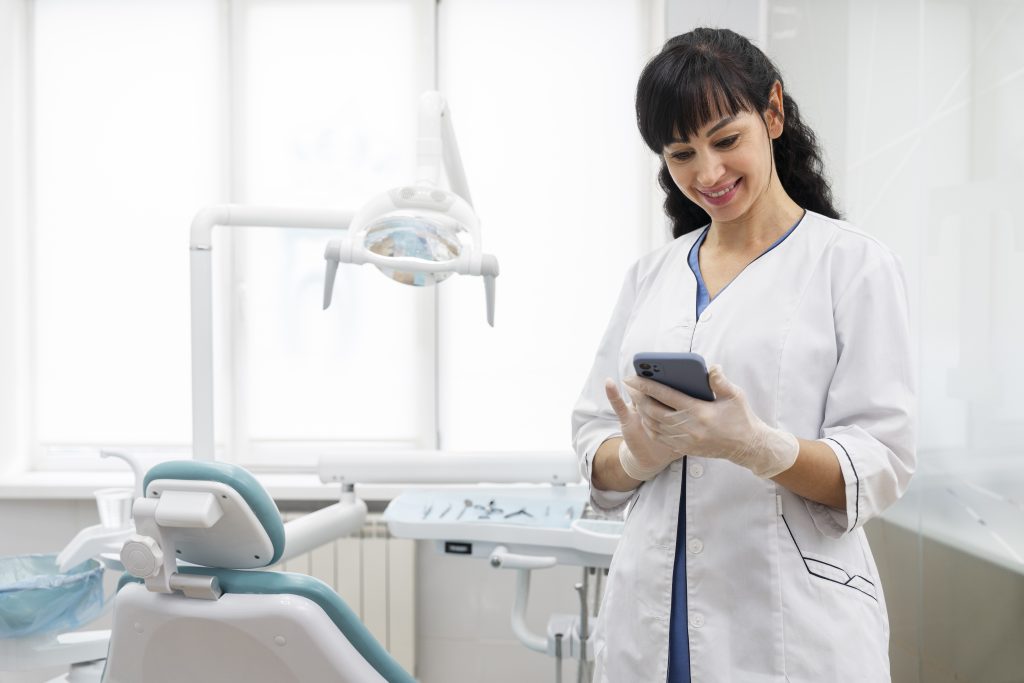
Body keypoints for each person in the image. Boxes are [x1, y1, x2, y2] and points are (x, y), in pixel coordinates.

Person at [571, 28, 916, 682]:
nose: (708, 173)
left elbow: (882, 459)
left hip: (790, 628)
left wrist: (760, 446)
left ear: (774, 112)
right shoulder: (653, 275)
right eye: (681, 153)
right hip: (653, 624)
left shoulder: (853, 266)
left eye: (726, 140)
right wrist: (637, 455)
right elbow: (593, 441)